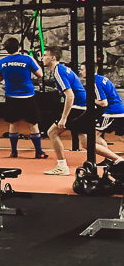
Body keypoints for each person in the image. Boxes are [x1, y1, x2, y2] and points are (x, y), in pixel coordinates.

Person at [41, 47, 92, 176]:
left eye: (45, 55)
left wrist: (64, 118)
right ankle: (117, 159)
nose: (42, 58)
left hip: (78, 106)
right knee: (86, 142)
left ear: (53, 58)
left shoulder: (58, 71)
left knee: (52, 132)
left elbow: (70, 96)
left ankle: (62, 166)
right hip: (83, 105)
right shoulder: (62, 69)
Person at [0, 37, 47, 159]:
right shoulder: (27, 59)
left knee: (13, 124)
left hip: (11, 96)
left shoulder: (2, 62)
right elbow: (40, 74)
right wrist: (31, 59)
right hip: (27, 95)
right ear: (19, 47)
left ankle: (14, 151)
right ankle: (39, 152)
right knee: (33, 124)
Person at [93, 72, 124, 164]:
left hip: (113, 112)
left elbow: (103, 103)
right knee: (122, 136)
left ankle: (108, 158)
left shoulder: (95, 82)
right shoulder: (103, 78)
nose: (81, 72)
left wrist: (90, 99)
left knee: (95, 135)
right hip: (121, 109)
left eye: (82, 70)